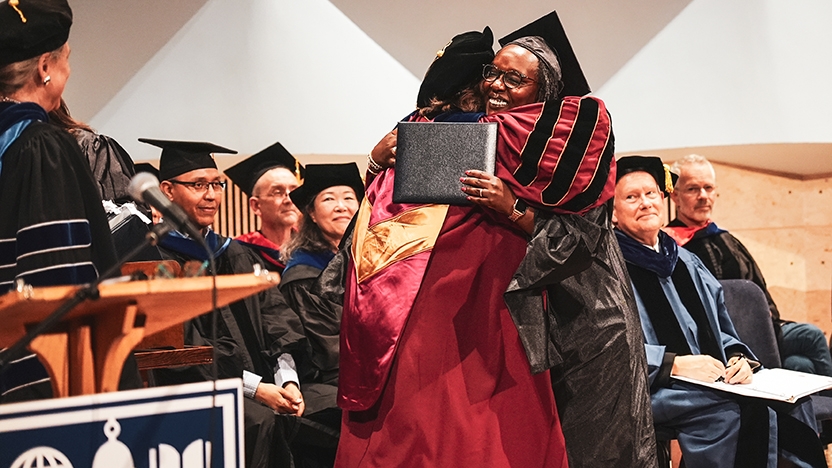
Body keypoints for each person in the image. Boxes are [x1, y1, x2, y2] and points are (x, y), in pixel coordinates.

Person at [336, 14, 654, 467]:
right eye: (493, 73)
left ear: (542, 91)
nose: (497, 86)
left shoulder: (569, 146)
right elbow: (390, 215)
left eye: (514, 78)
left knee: (589, 443)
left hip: (580, 317)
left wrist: (512, 207)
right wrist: (376, 159)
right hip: (500, 322)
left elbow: (580, 243)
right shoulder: (461, 133)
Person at [613, 155, 824, 468]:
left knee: (795, 407)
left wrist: (740, 358)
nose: (645, 203)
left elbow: (723, 330)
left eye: (651, 193)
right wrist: (674, 364)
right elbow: (609, 350)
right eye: (631, 197)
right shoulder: (610, 270)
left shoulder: (686, 263)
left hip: (711, 381)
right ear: (613, 211)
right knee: (732, 413)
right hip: (653, 387)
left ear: (662, 198)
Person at [0, 0, 141, 403]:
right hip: (40, 386)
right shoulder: (42, 148)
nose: (69, 69)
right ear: (45, 67)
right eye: (66, 59)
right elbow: (60, 281)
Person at [139, 138, 309, 468]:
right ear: (167, 190)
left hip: (264, 385)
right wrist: (256, 389)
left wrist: (286, 379)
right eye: (198, 185)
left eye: (217, 184)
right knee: (259, 419)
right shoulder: (156, 262)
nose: (212, 195)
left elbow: (276, 317)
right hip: (196, 391)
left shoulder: (236, 253)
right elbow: (183, 350)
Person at [664, 155, 832, 377]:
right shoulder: (672, 247)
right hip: (727, 337)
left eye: (708, 188)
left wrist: (769, 319)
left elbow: (757, 285)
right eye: (693, 189)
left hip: (762, 327)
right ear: (675, 195)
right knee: (811, 335)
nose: (703, 196)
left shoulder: (724, 237)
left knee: (800, 365)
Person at [278, 163, 363, 468]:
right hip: (328, 382)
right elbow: (330, 351)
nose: (341, 206)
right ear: (311, 213)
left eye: (348, 197)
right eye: (329, 199)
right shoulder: (304, 274)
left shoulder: (367, 258)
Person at [224, 142, 305, 274]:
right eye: (278, 192)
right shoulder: (238, 252)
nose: (289, 200)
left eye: (294, 191)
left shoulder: (313, 249)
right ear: (256, 205)